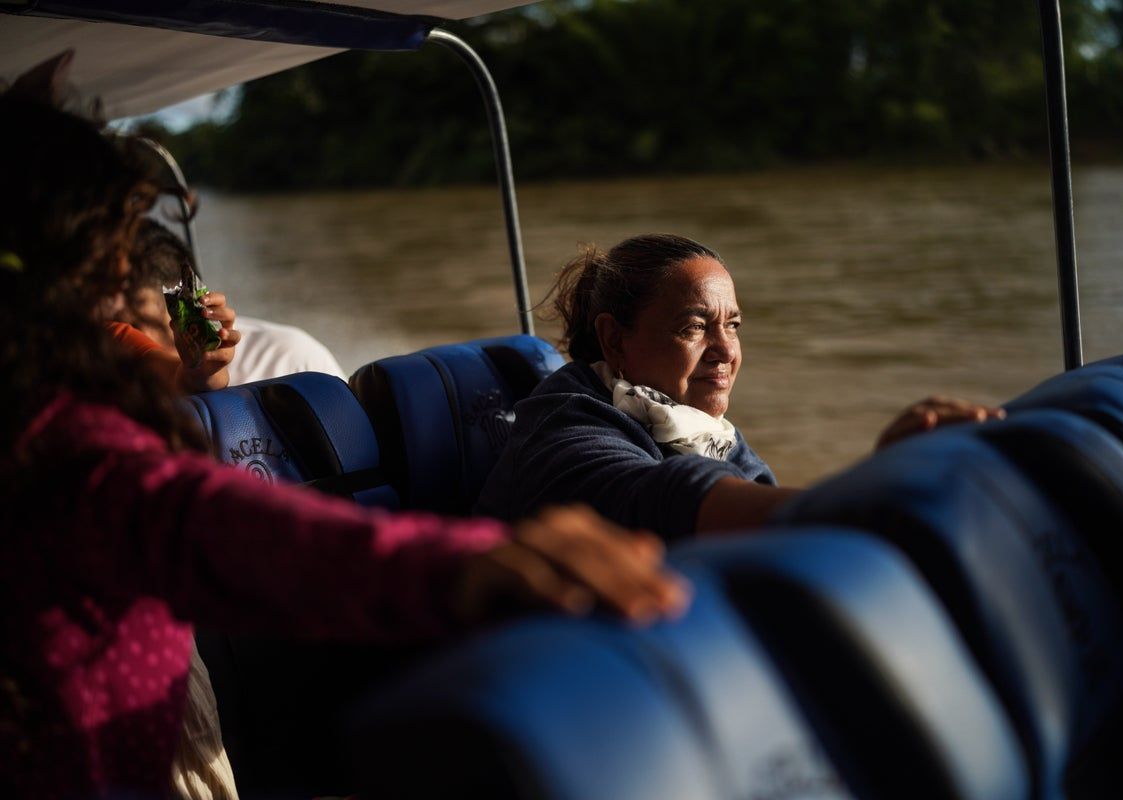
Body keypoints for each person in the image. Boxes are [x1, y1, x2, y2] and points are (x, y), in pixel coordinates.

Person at [0, 80, 689, 799]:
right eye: (105, 256)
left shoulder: (66, 387)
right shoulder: (62, 445)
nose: (120, 274)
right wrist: (469, 567)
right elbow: (233, 530)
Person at [476, 233, 1003, 539]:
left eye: (732, 325)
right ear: (614, 339)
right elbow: (661, 498)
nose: (726, 351)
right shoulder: (565, 426)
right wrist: (874, 489)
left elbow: (767, 508)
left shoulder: (703, 432)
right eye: (694, 327)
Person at [119, 219, 347, 385]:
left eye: (138, 322)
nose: (138, 339)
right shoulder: (107, 373)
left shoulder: (290, 358)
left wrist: (202, 370)